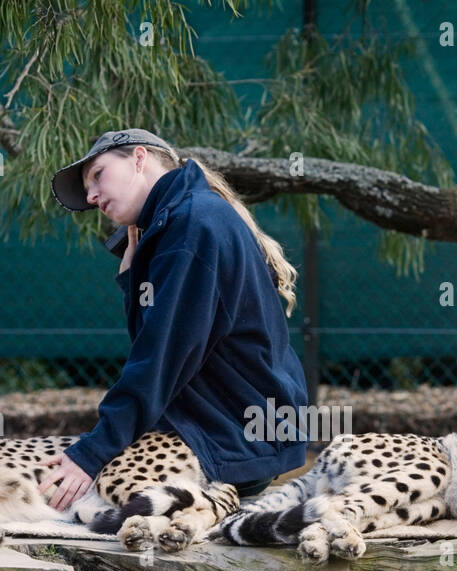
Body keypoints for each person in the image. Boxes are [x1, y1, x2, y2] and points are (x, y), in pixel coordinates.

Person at [40, 129, 309, 510]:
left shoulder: (192, 225)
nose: (91, 196)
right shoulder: (186, 218)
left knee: (82, 495)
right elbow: (162, 346)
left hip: (233, 440)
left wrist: (93, 452)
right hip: (237, 433)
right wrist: (133, 276)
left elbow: (160, 358)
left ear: (138, 158)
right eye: (88, 190)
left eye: (98, 174)